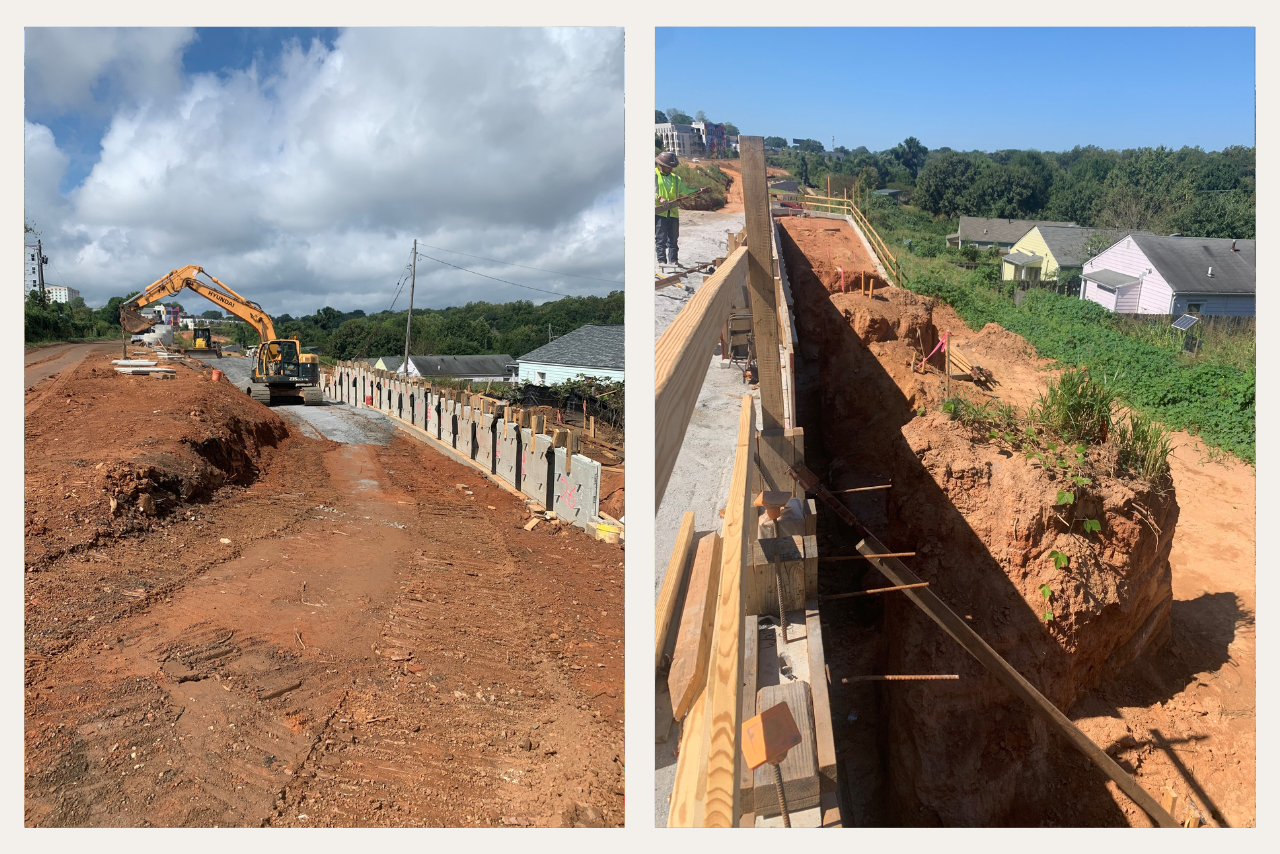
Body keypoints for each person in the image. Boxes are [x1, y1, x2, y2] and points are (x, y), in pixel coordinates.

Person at [655, 151, 693, 266]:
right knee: (660, 238)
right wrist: (659, 198)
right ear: (661, 165)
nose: (670, 169)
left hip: (673, 213)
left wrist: (697, 191)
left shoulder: (676, 178)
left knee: (673, 238)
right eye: (668, 167)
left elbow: (684, 191)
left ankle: (673, 261)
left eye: (672, 167)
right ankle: (661, 261)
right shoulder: (653, 175)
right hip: (659, 212)